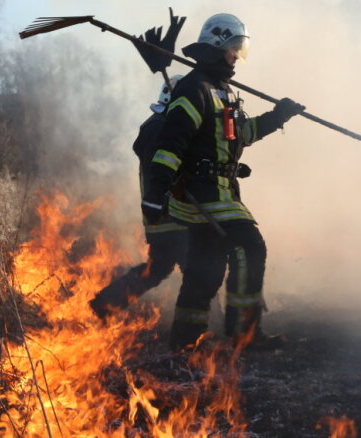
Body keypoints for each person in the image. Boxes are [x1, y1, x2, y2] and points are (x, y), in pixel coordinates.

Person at [141, 13, 305, 350]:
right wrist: (155, 193)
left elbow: (241, 134)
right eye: (233, 49)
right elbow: (171, 144)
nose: (236, 57)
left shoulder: (221, 90)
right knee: (249, 247)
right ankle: (245, 335)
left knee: (207, 269)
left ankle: (183, 342)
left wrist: (278, 116)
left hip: (220, 191)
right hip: (205, 193)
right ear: (216, 45)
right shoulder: (193, 88)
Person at [89, 76, 189, 318]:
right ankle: (204, 328)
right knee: (197, 272)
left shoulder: (162, 126)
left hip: (170, 216)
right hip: (171, 215)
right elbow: (164, 167)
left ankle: (106, 304)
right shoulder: (159, 128)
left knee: (159, 269)